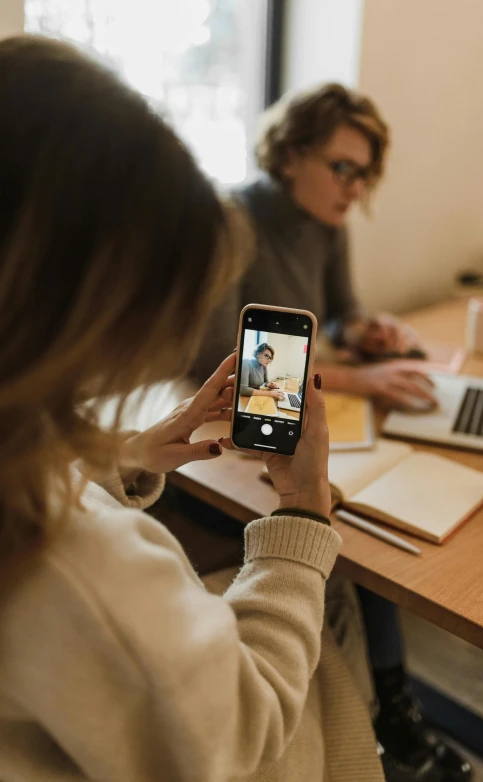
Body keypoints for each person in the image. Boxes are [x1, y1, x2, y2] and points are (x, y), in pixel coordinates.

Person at [0, 36, 390, 782]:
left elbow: (340, 314)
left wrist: (128, 455)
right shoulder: (74, 568)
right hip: (250, 740)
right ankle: (376, 742)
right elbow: (241, 728)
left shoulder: (33, 471)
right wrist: (305, 504)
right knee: (331, 587)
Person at [191, 84, 471, 782]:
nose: (356, 188)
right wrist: (359, 381)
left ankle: (390, 705)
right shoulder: (229, 221)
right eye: (343, 167)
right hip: (224, 439)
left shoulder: (327, 221)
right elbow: (211, 361)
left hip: (310, 414)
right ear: (290, 156)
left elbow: (338, 313)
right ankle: (390, 713)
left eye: (366, 173)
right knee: (351, 520)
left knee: (374, 504)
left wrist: (366, 333)